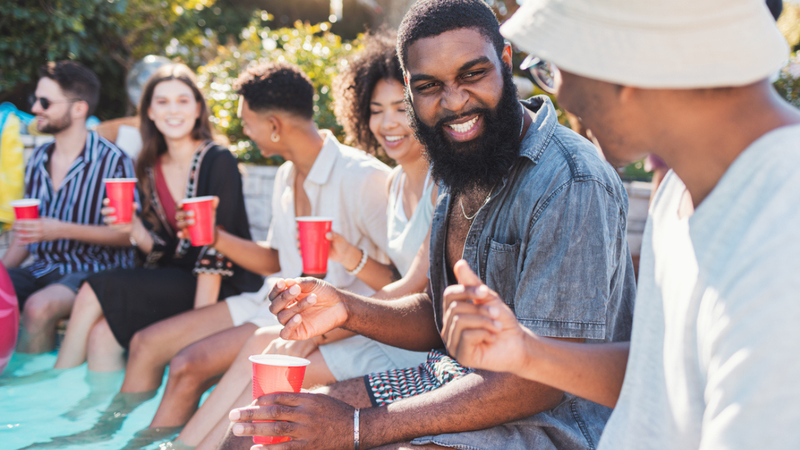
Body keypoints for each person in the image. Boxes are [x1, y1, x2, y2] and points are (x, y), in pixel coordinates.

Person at [225, 1, 636, 449]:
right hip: (452, 378)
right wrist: (346, 308)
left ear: (505, 61)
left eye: (472, 75)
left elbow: (542, 382)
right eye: (429, 86)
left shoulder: (571, 180)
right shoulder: (460, 160)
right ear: (409, 88)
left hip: (553, 422)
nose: (454, 101)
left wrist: (357, 428)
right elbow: (440, 318)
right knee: (266, 427)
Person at [441, 0, 800, 449]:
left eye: (555, 66)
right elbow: (665, 378)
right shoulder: (682, 189)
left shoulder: (783, 233)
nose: (560, 94)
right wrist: (526, 352)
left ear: (626, 66)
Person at [170, 31, 438, 450]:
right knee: (262, 348)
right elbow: (283, 259)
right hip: (355, 318)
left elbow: (409, 286)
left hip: (406, 338)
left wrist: (330, 319)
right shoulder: (396, 181)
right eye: (376, 110)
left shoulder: (397, 180)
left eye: (400, 109)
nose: (388, 123)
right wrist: (344, 264)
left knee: (275, 385)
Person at [119, 61, 395, 442]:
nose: (245, 133)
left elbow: (404, 285)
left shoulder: (363, 178)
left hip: (334, 323)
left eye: (247, 124)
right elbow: (277, 259)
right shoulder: (286, 174)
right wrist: (214, 237)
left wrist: (349, 266)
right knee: (182, 363)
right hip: (276, 303)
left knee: (205, 373)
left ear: (275, 127)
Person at [53, 64, 262, 372]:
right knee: (101, 336)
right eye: (162, 102)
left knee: (92, 287)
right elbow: (160, 249)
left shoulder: (219, 160)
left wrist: (196, 327)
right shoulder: (148, 166)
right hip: (176, 278)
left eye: (182, 100)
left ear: (198, 109)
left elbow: (216, 251)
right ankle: (96, 415)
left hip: (223, 285)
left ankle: (58, 384)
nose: (172, 110)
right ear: (149, 111)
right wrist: (134, 228)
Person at [2, 61, 135, 354]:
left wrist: (59, 229)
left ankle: (33, 389)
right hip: (42, 267)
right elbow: (27, 234)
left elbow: (127, 235)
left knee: (39, 308)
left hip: (96, 268)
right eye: (35, 100)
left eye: (45, 102)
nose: (36, 108)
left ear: (79, 108)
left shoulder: (113, 160)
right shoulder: (38, 158)